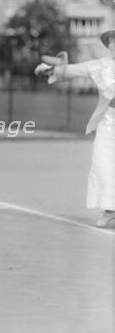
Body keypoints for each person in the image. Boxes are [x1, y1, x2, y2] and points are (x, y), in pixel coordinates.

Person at [35, 30, 115, 228]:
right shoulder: (100, 66)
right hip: (109, 122)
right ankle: (110, 210)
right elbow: (70, 70)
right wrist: (47, 69)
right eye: (111, 42)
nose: (113, 45)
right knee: (102, 162)